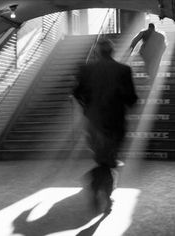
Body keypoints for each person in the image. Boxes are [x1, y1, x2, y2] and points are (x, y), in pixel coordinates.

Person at [73, 39, 138, 213]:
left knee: (103, 160)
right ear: (112, 51)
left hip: (94, 123)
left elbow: (77, 92)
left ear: (97, 52)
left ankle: (99, 188)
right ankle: (101, 190)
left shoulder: (86, 70)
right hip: (115, 123)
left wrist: (88, 107)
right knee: (108, 161)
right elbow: (131, 99)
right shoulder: (124, 70)